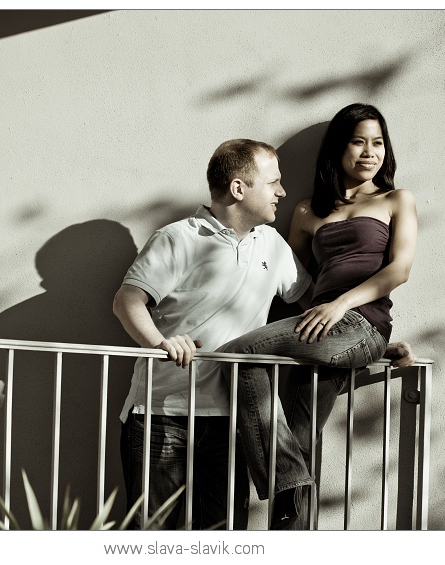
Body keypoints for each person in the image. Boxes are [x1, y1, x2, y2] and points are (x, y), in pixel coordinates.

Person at [113, 137, 414, 530]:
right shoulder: (178, 238)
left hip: (232, 422)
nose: (283, 192)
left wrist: (368, 347)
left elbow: (312, 314)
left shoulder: (273, 245)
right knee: (150, 541)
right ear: (239, 189)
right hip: (162, 416)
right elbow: (127, 302)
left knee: (221, 541)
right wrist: (160, 342)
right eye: (273, 182)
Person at [218, 103, 418, 529]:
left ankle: (284, 477)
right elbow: (291, 284)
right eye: (359, 141)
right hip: (321, 332)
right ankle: (290, 536)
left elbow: (398, 270)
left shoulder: (396, 200)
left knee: (239, 355)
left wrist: (343, 307)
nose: (370, 152)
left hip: (359, 323)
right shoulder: (308, 210)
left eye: (378, 142)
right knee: (302, 434)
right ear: (338, 148)